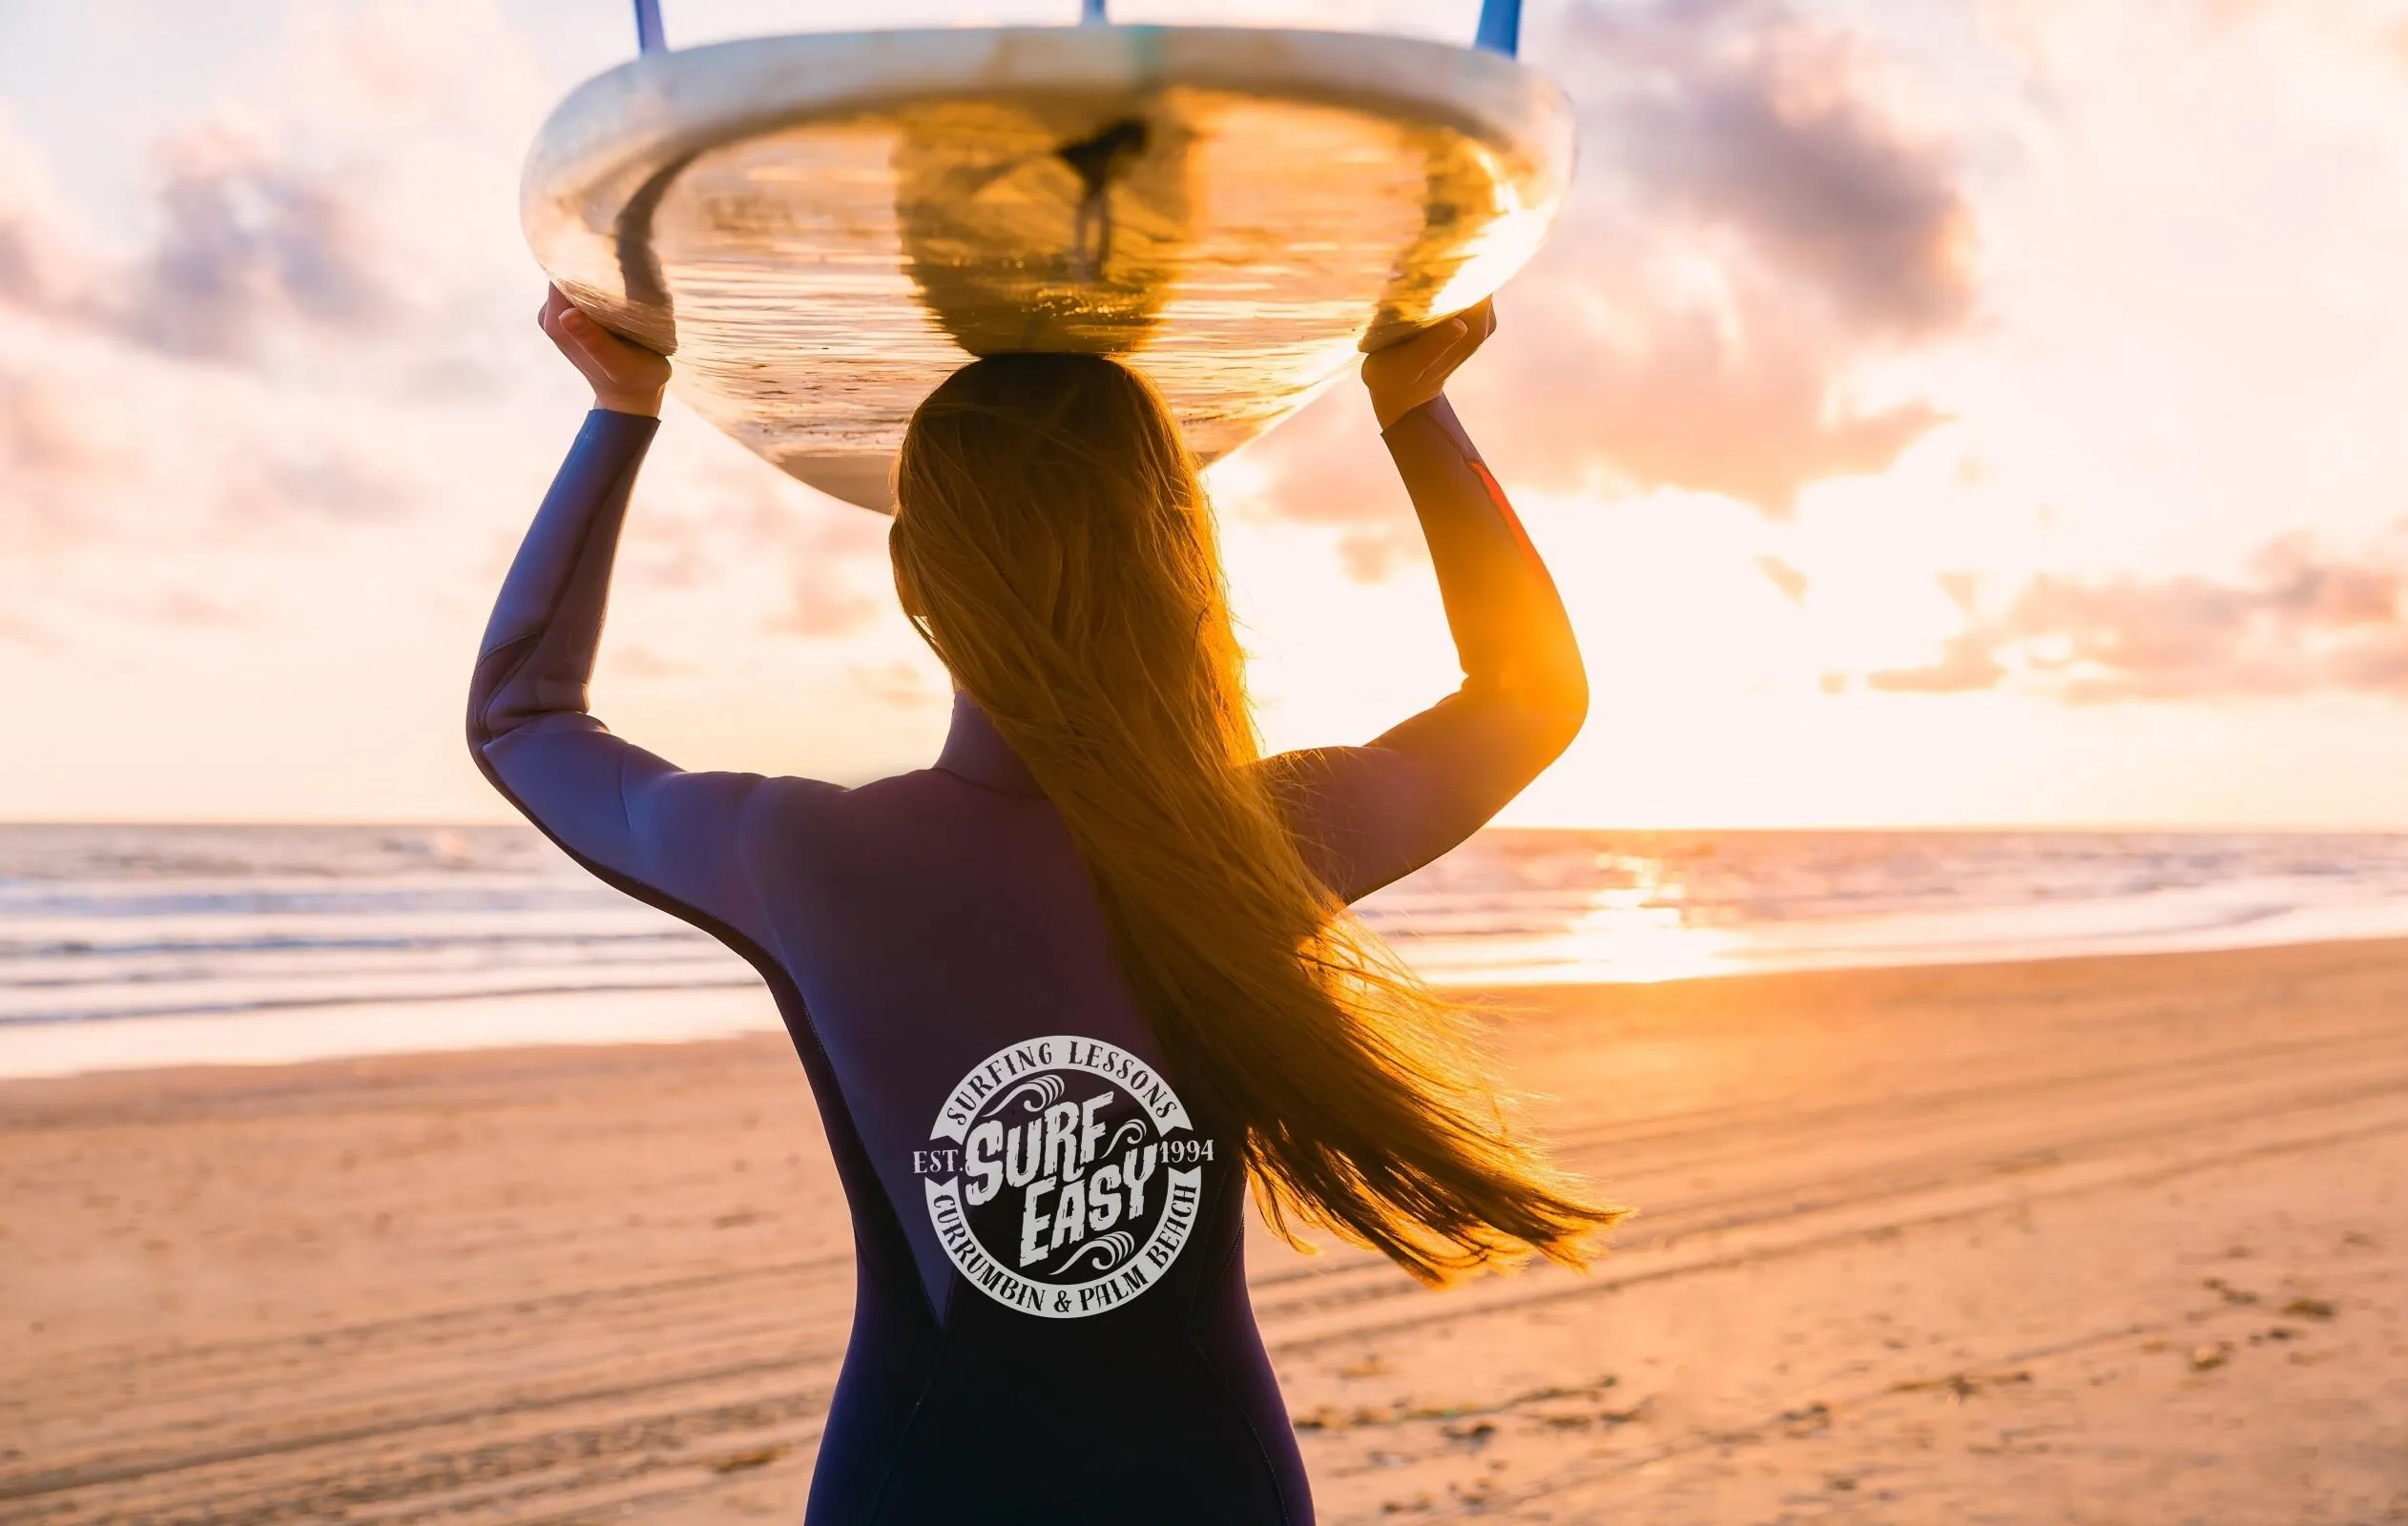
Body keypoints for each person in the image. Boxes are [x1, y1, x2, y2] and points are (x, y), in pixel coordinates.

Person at [470, 285, 1615, 1524]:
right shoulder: (1253, 842)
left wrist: (622, 407)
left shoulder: (796, 855)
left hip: (921, 1484)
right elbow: (1530, 691)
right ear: (1183, 560)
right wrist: (1414, 405)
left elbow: (521, 717)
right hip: (1212, 1484)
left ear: (912, 575)